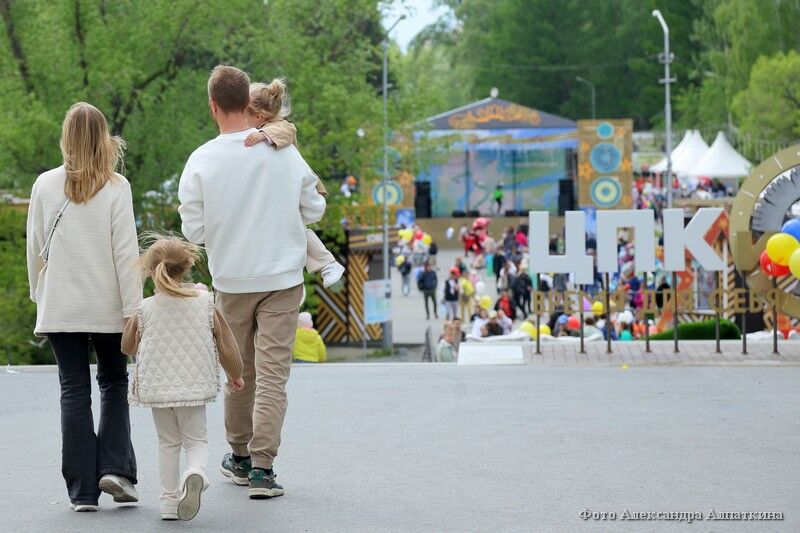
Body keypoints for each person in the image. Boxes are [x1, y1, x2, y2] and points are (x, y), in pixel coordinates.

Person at [178, 65, 326, 500]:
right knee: (273, 376)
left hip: (231, 281)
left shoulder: (201, 159)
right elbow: (314, 209)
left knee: (239, 374)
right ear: (248, 102)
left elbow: (193, 231)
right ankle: (264, 468)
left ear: (213, 105)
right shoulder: (283, 152)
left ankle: (239, 457)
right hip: (282, 279)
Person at [26, 102, 141, 512]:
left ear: (66, 138)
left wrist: (39, 296)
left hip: (61, 304)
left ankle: (82, 492)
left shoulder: (44, 185)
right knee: (113, 382)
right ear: (103, 138)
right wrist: (134, 310)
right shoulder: (116, 187)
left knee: (73, 390)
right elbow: (127, 255)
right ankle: (115, 469)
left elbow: (35, 250)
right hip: (108, 304)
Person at [122, 236, 244, 521]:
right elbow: (226, 344)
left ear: (150, 270)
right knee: (196, 440)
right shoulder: (204, 303)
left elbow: (127, 347)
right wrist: (235, 374)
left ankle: (168, 503)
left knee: (168, 443)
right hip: (193, 386)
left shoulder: (145, 308)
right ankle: (195, 472)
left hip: (158, 388)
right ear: (187, 265)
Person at [242, 79, 344, 288]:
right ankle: (326, 263)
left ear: (259, 117)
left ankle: (327, 263)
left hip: (295, 190)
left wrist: (262, 136)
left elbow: (288, 131)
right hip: (287, 190)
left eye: (244, 114)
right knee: (294, 228)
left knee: (296, 228)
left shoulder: (278, 127)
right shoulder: (265, 126)